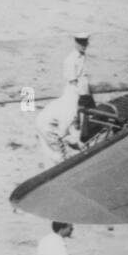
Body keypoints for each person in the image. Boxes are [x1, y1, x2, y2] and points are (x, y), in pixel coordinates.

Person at [36, 33, 91, 163]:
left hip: (51, 120)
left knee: (54, 155)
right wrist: (77, 144)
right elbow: (63, 133)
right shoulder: (71, 106)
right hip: (46, 126)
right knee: (58, 157)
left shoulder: (73, 97)